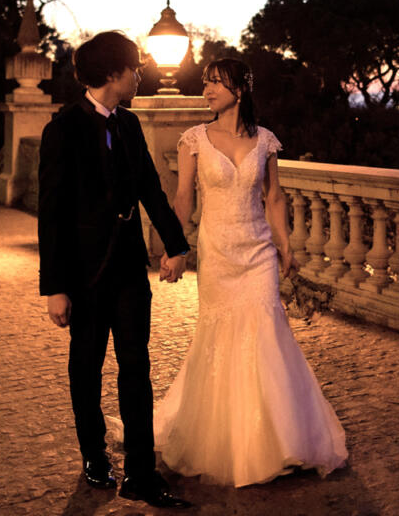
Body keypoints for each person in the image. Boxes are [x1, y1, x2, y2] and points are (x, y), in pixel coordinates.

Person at [153, 57, 348, 487]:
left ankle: (281, 439)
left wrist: (285, 246)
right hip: (218, 252)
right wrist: (175, 247)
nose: (207, 91)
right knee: (220, 334)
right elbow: (183, 198)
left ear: (239, 90)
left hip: (258, 250)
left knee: (266, 330)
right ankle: (230, 438)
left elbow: (274, 197)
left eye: (216, 84)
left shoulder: (265, 140)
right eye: (205, 83)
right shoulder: (194, 140)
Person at [37, 31, 193, 509]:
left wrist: (177, 246)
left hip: (128, 269)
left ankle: (141, 473)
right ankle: (94, 456)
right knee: (86, 367)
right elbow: (51, 213)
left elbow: (150, 189)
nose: (139, 75)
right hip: (83, 276)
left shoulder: (129, 123)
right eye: (134, 68)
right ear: (112, 73)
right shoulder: (62, 129)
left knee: (136, 366)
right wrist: (55, 287)